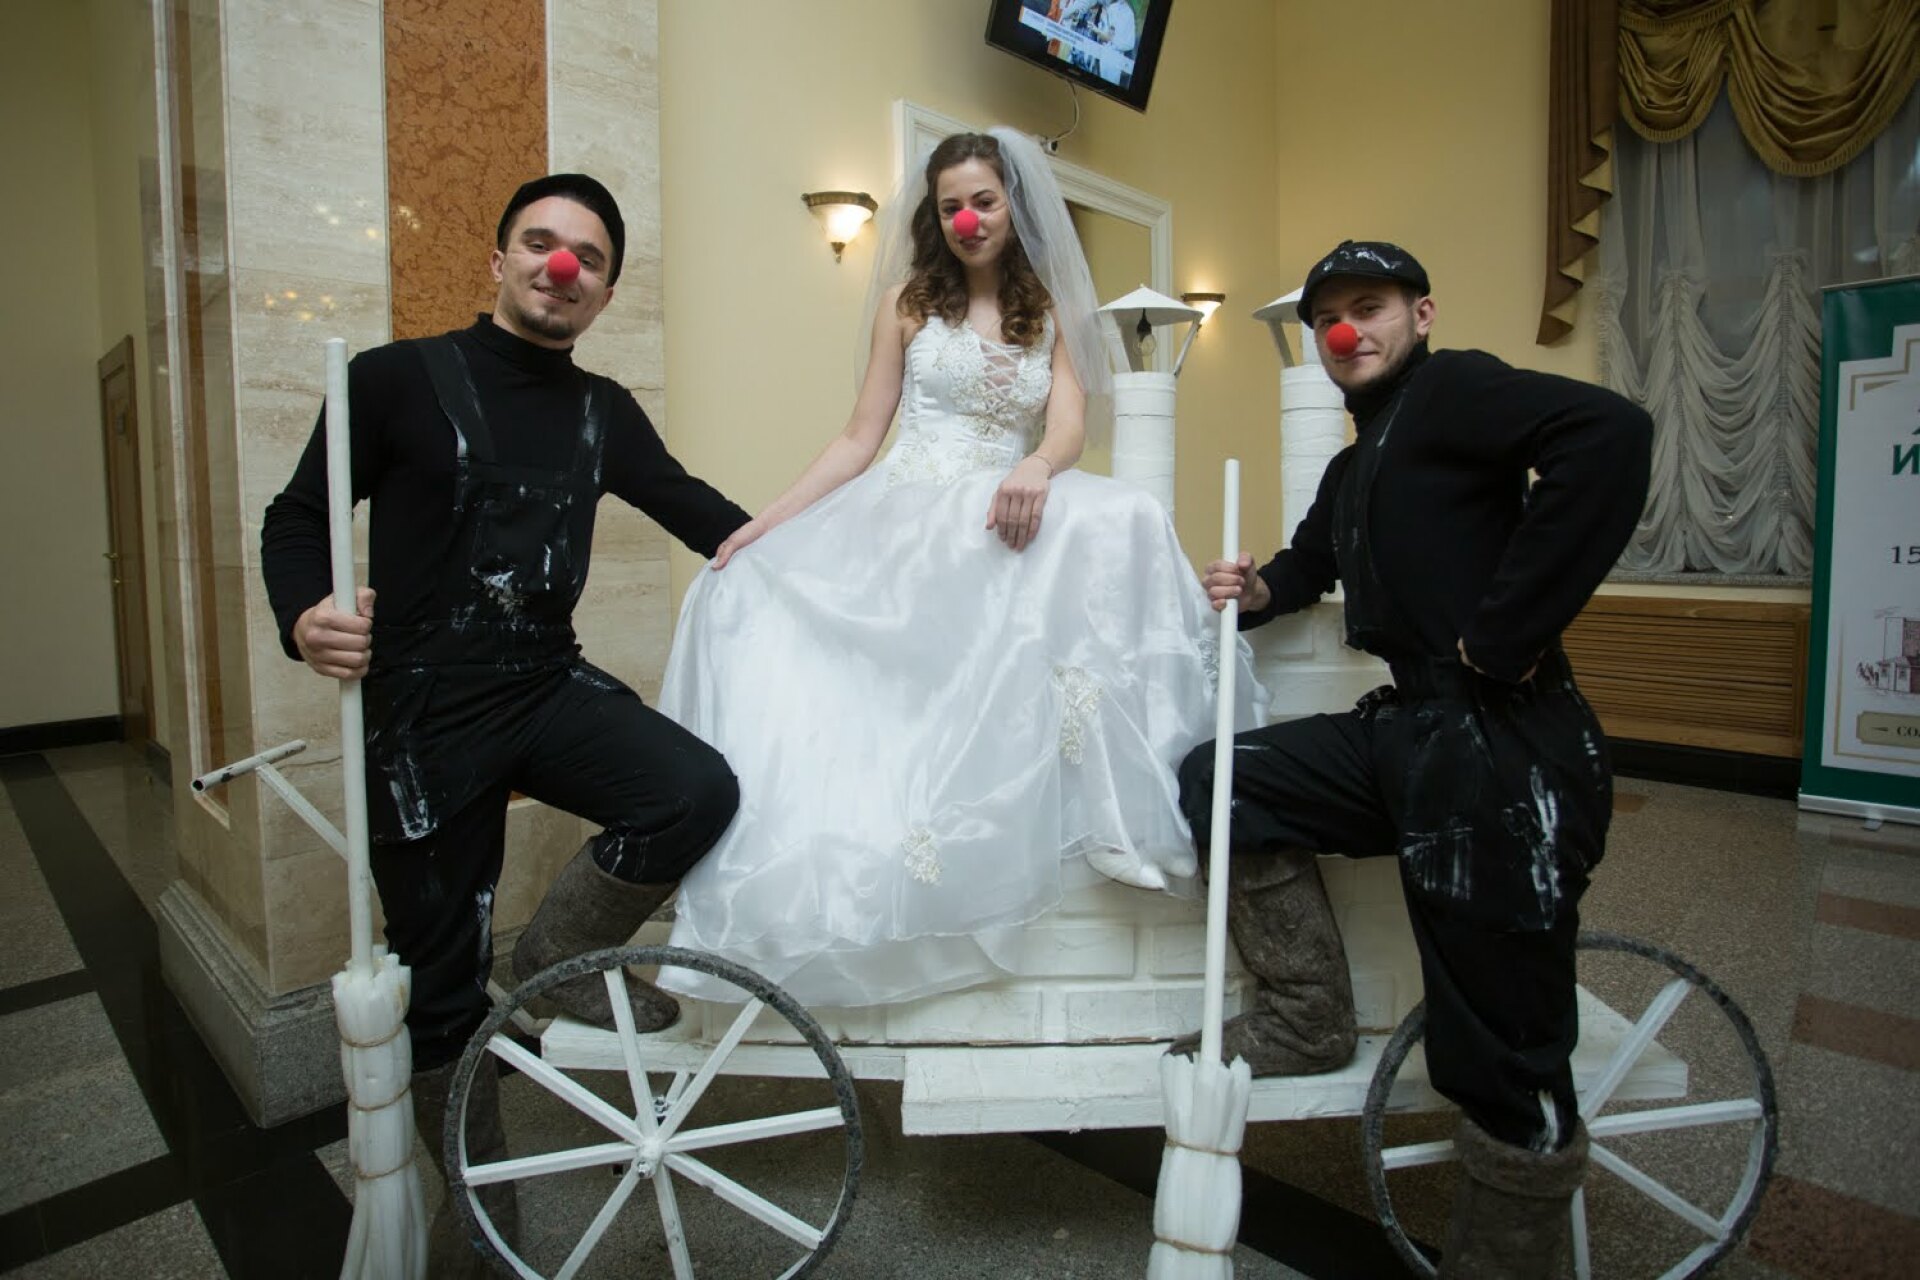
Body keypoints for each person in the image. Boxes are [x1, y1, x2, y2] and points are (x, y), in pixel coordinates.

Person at [260, 173, 749, 1272]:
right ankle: (479, 1213)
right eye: (539, 242)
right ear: (499, 259)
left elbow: (704, 514)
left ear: (605, 292)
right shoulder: (391, 379)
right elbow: (296, 516)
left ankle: (559, 957)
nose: (560, 266)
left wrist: (844, 559)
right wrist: (304, 616)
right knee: (439, 988)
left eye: (588, 258)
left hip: (543, 684)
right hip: (421, 718)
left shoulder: (604, 411)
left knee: (694, 790)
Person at [656, 129, 1262, 1008]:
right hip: (909, 505)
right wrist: (763, 526)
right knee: (754, 589)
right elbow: (860, 436)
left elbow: (1066, 425)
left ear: (1015, 206)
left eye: (984, 201)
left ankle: (1119, 813)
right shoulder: (907, 302)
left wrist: (1037, 467)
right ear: (934, 218)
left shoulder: (1050, 307)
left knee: (1125, 515)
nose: (968, 220)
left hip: (1005, 497)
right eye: (950, 207)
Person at [1177, 240, 1651, 1277]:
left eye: (1370, 306)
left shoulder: (1453, 392)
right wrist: (1255, 590)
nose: (1347, 331)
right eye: (1328, 319)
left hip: (1507, 749)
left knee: (1500, 1051)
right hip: (1409, 732)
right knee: (1223, 779)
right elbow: (1310, 564)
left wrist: (1508, 630)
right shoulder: (1358, 462)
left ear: (1421, 315)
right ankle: (1307, 1014)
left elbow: (1613, 434)